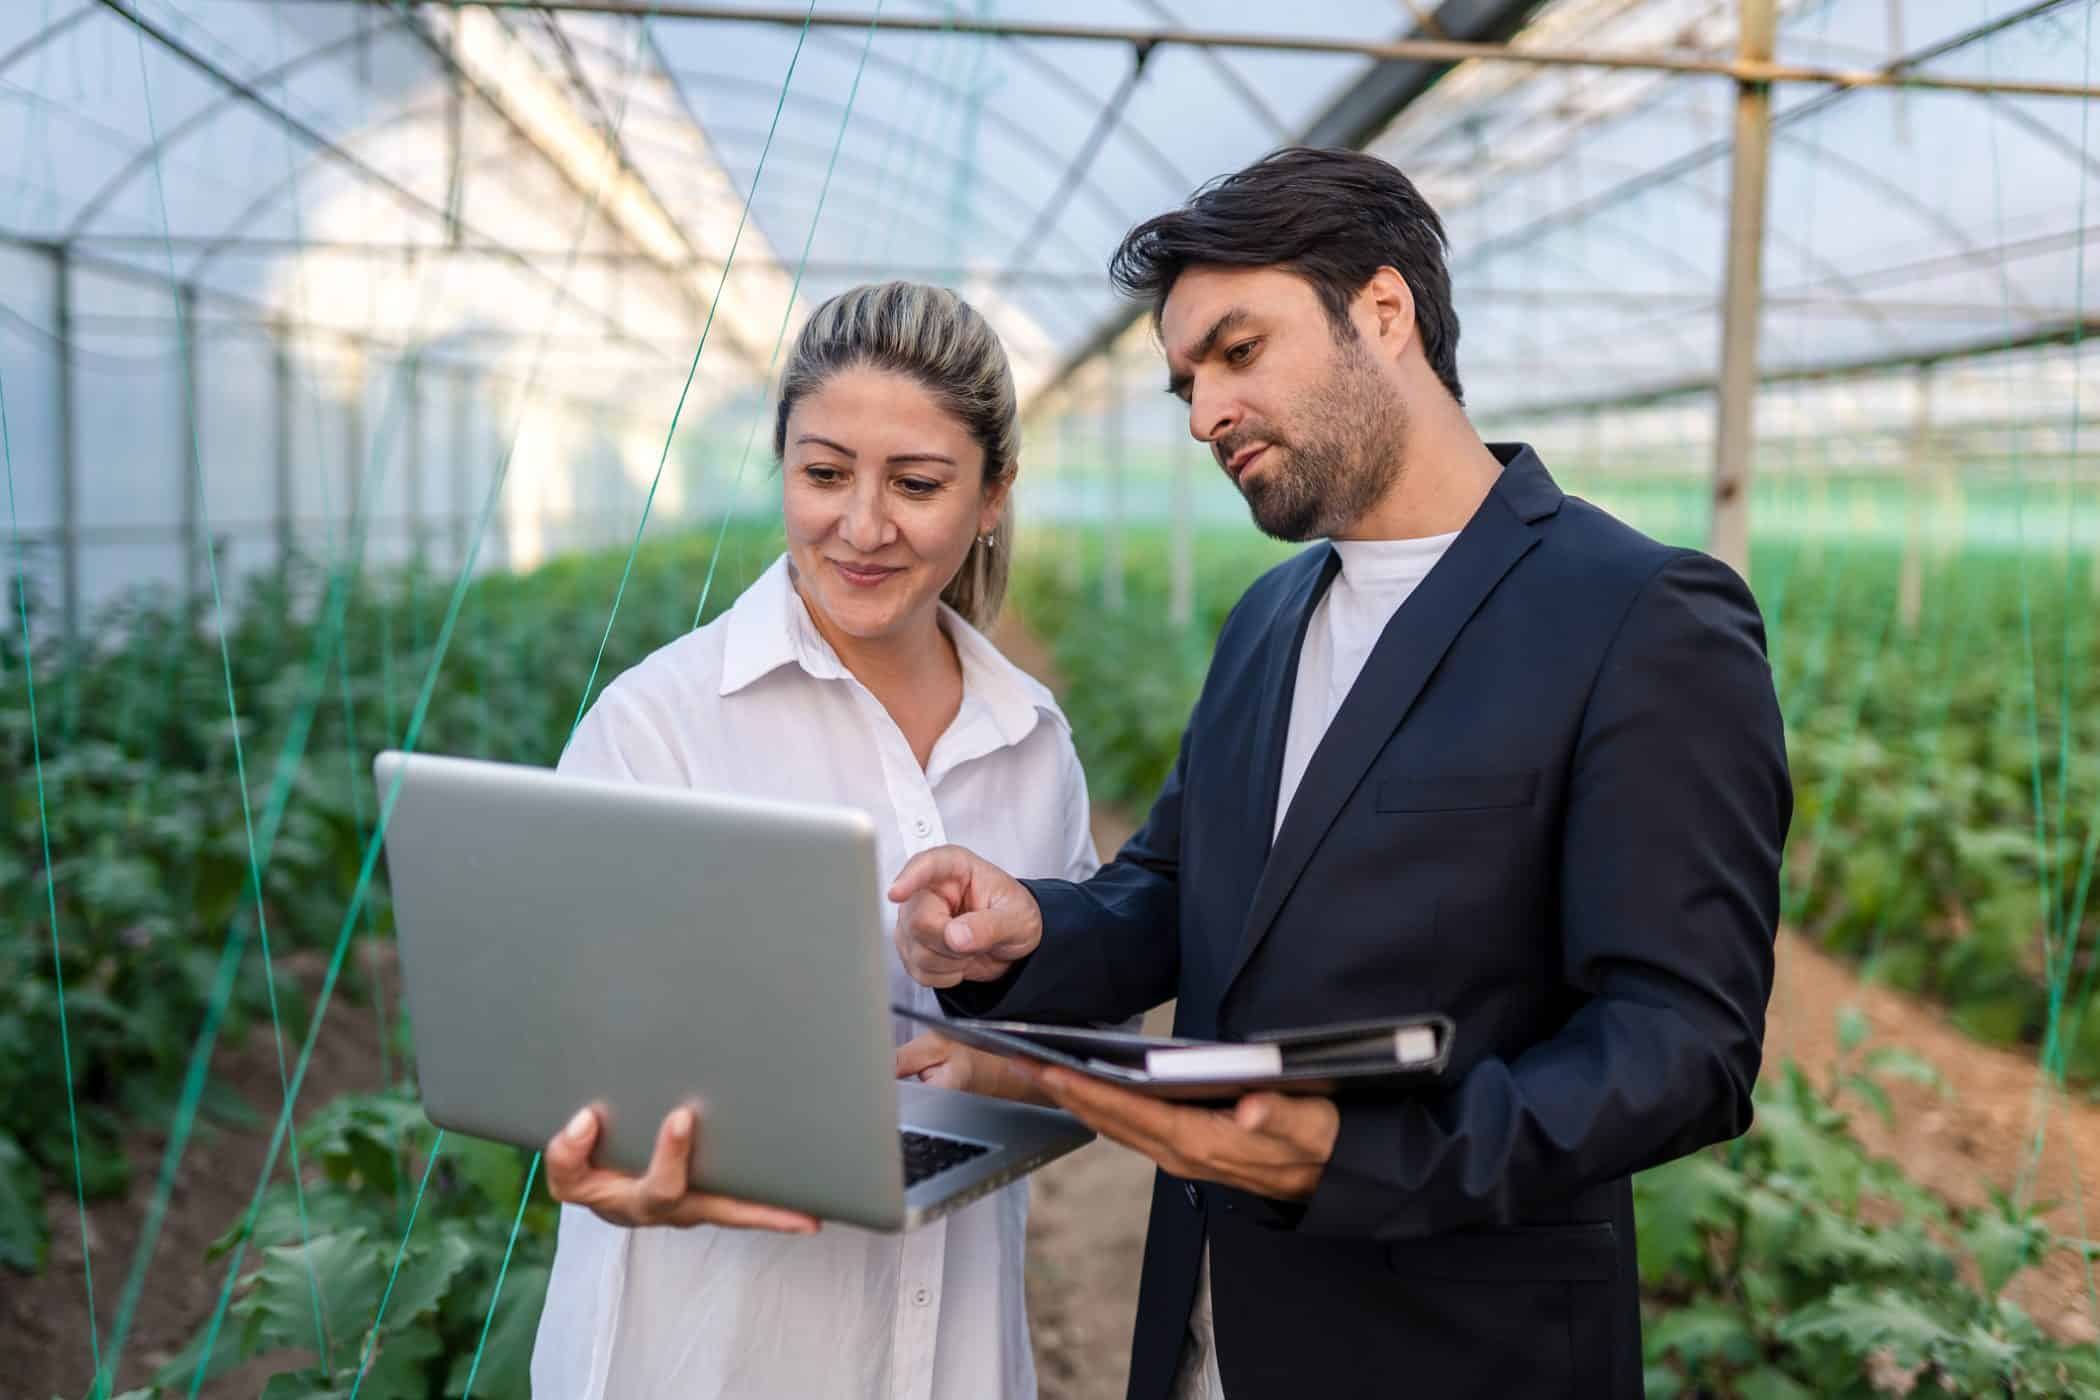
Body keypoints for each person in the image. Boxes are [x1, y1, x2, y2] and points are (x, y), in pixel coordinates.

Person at [891, 148, 1792, 1400]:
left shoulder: (1639, 616)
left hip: (1452, 1352)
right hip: (1211, 1334)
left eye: (1238, 351)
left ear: (1384, 312)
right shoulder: (1270, 616)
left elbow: (1682, 1042)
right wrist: (1029, 929)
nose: (1204, 412)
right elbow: (1175, 888)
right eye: (1187, 381)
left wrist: (1358, 1157)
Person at [530, 281, 1098, 1400]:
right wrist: (606, 1158)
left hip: (955, 1356)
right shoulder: (660, 727)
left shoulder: (1031, 744)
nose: (864, 524)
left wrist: (999, 1068)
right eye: (824, 473)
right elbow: (559, 1047)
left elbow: (1095, 1053)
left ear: (993, 495)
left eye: (919, 483)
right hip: (707, 1352)